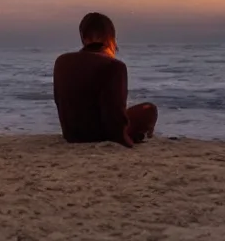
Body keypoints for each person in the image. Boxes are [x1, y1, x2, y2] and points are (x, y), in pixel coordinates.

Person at [53, 12, 158, 147]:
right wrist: (125, 141)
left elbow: (59, 101)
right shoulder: (114, 66)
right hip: (100, 135)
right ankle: (144, 137)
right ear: (111, 38)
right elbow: (115, 116)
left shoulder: (62, 62)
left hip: (71, 134)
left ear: (83, 37)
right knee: (149, 109)